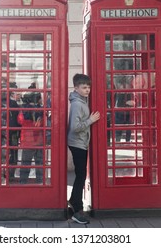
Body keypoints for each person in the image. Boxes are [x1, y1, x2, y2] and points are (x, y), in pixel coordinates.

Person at [67, 73, 100, 224]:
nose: (87, 90)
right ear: (76, 88)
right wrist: (91, 120)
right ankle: (77, 208)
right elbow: (74, 127)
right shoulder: (77, 104)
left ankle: (74, 201)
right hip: (77, 143)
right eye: (84, 87)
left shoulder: (81, 100)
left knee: (80, 175)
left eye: (89, 87)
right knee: (80, 176)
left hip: (80, 142)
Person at [17, 92, 44, 184]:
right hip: (39, 140)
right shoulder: (41, 110)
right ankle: (40, 181)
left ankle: (23, 182)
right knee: (40, 164)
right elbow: (45, 123)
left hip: (27, 141)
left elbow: (20, 121)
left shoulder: (23, 110)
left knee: (25, 163)